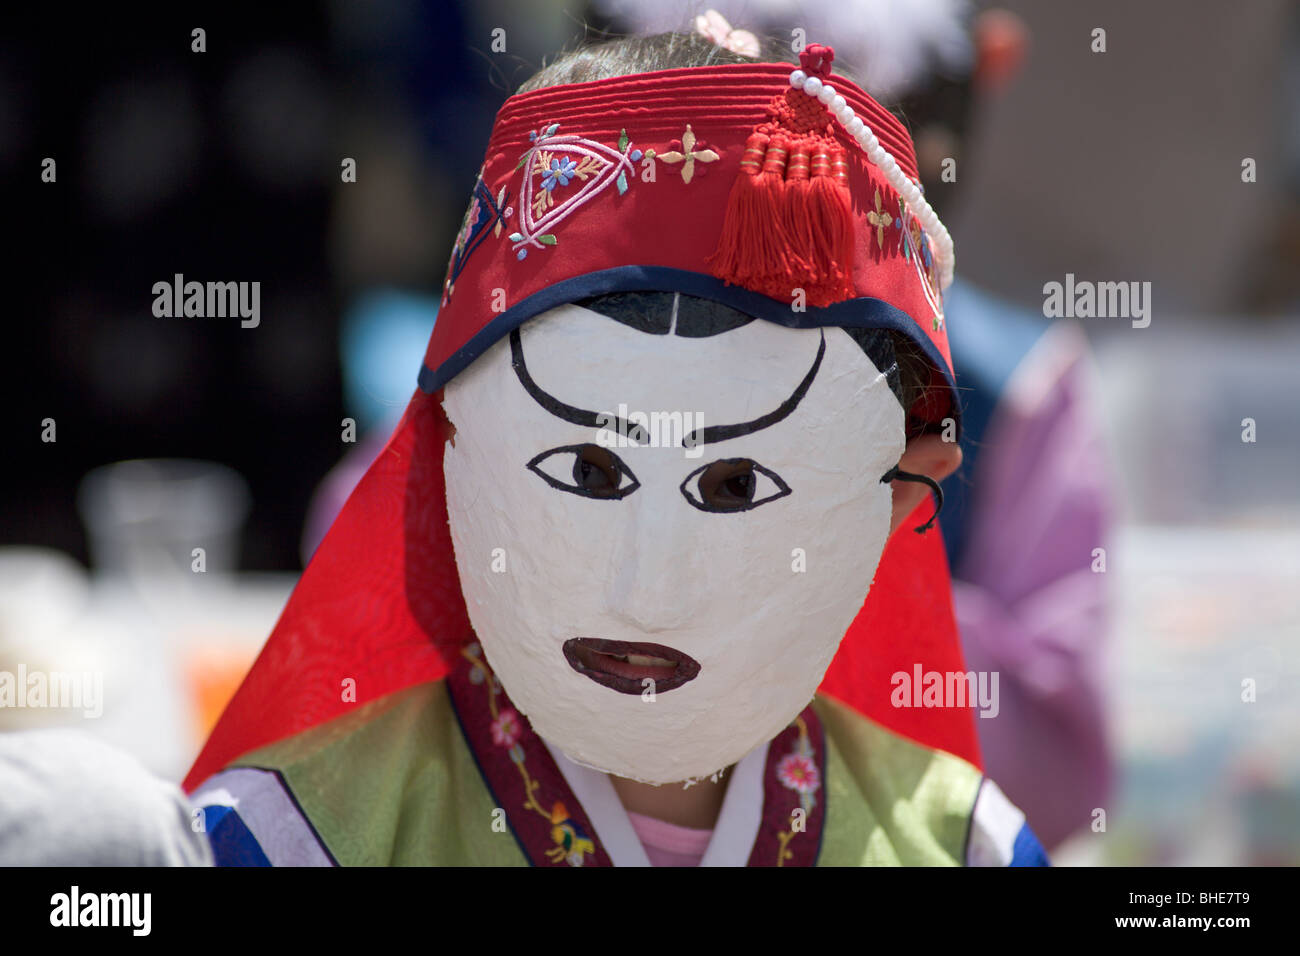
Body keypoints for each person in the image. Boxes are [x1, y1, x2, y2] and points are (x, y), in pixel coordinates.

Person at [187, 31, 1048, 866]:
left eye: (738, 483)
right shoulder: (294, 838)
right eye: (588, 471)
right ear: (450, 437)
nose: (649, 593)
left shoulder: (961, 847)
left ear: (899, 490)